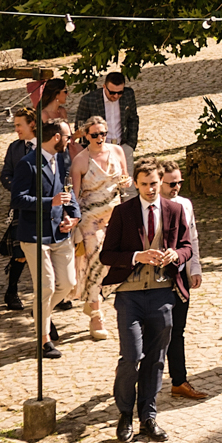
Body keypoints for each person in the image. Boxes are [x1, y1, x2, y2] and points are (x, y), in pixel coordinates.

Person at [99, 158, 192, 443]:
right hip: (129, 294)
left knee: (155, 359)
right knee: (131, 356)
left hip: (163, 293)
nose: (151, 189)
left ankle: (148, 417)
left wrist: (176, 255)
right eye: (145, 185)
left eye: (154, 184)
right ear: (136, 185)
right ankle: (125, 413)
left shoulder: (175, 210)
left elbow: (187, 247)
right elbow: (106, 255)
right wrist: (136, 257)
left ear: (160, 182)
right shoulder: (123, 212)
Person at [7, 119, 80, 358]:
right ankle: (44, 339)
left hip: (60, 232)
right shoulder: (27, 164)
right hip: (35, 235)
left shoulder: (61, 158)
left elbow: (67, 191)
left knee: (68, 284)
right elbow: (17, 199)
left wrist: (74, 217)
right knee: (46, 286)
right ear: (56, 138)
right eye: (68, 137)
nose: (71, 141)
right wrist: (51, 203)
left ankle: (40, 311)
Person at [72, 116, 134, 340]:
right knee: (98, 259)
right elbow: (76, 196)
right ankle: (96, 314)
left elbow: (125, 180)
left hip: (115, 213)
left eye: (102, 133)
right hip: (91, 218)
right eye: (94, 134)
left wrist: (126, 182)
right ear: (85, 136)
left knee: (118, 261)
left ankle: (93, 297)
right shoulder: (80, 160)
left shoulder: (117, 152)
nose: (99, 138)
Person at [159, 162, 209, 400]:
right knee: (154, 330)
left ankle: (179, 381)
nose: (176, 187)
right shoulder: (149, 207)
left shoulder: (185, 204)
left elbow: (193, 237)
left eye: (179, 182)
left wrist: (195, 268)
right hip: (155, 277)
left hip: (180, 275)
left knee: (177, 329)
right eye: (171, 183)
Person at [0, 107, 40, 310]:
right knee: (19, 252)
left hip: (45, 205)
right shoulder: (14, 148)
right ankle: (11, 291)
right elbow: (5, 174)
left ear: (32, 124)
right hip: (22, 207)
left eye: (18, 125)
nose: (16, 130)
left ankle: (56, 294)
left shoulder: (47, 146)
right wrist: (18, 189)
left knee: (49, 250)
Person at [74, 70, 141, 151]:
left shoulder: (128, 94)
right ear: (104, 87)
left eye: (120, 92)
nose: (116, 96)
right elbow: (80, 126)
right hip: (98, 148)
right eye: (112, 92)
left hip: (123, 146)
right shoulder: (89, 100)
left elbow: (133, 119)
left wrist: (130, 144)